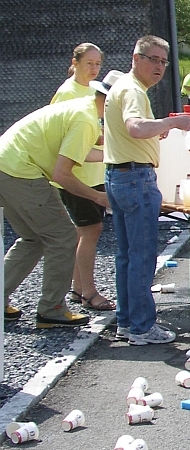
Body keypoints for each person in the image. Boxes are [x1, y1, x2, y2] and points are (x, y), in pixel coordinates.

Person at [0, 72, 113, 328]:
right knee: (63, 237)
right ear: (111, 101)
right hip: (20, 170)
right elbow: (62, 174)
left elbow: (88, 148)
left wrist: (120, 149)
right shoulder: (85, 119)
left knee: (34, 238)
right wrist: (98, 196)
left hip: (6, 165)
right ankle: (52, 308)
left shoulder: (84, 109)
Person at [104, 35, 190, 345]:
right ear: (136, 58)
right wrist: (172, 123)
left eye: (163, 62)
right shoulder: (133, 91)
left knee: (127, 256)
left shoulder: (122, 88)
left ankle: (127, 322)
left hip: (118, 174)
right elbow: (136, 128)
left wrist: (156, 134)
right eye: (152, 59)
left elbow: (134, 133)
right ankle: (142, 326)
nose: (158, 67)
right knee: (141, 257)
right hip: (135, 178)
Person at [50, 43, 116, 311]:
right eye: (89, 63)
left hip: (93, 170)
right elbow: (65, 135)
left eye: (98, 64)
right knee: (90, 230)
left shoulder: (95, 89)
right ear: (74, 62)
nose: (94, 68)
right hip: (76, 173)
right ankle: (88, 291)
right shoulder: (67, 93)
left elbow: (94, 132)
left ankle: (79, 289)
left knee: (87, 231)